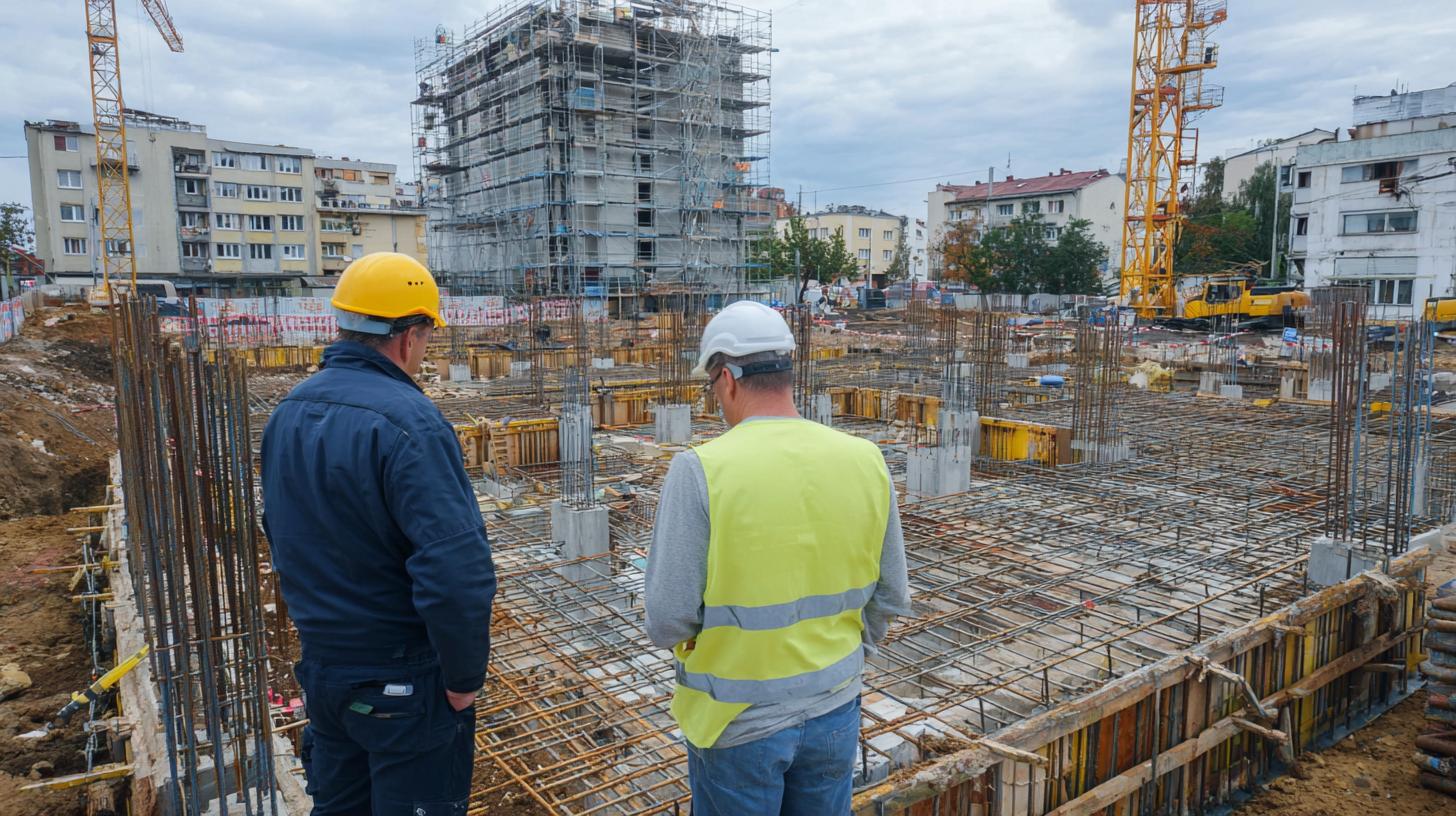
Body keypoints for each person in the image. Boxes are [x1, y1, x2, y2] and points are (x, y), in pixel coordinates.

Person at [644, 300, 911, 815]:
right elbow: (892, 594)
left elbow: (667, 619)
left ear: (726, 379)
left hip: (736, 723)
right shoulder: (865, 459)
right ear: (788, 371)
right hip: (835, 707)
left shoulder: (701, 470)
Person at [261, 252, 497, 815]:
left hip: (325, 671)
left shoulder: (288, 413)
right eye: (427, 337)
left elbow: (280, 534)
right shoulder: (410, 421)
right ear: (410, 336)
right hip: (401, 680)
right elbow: (456, 569)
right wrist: (463, 679)